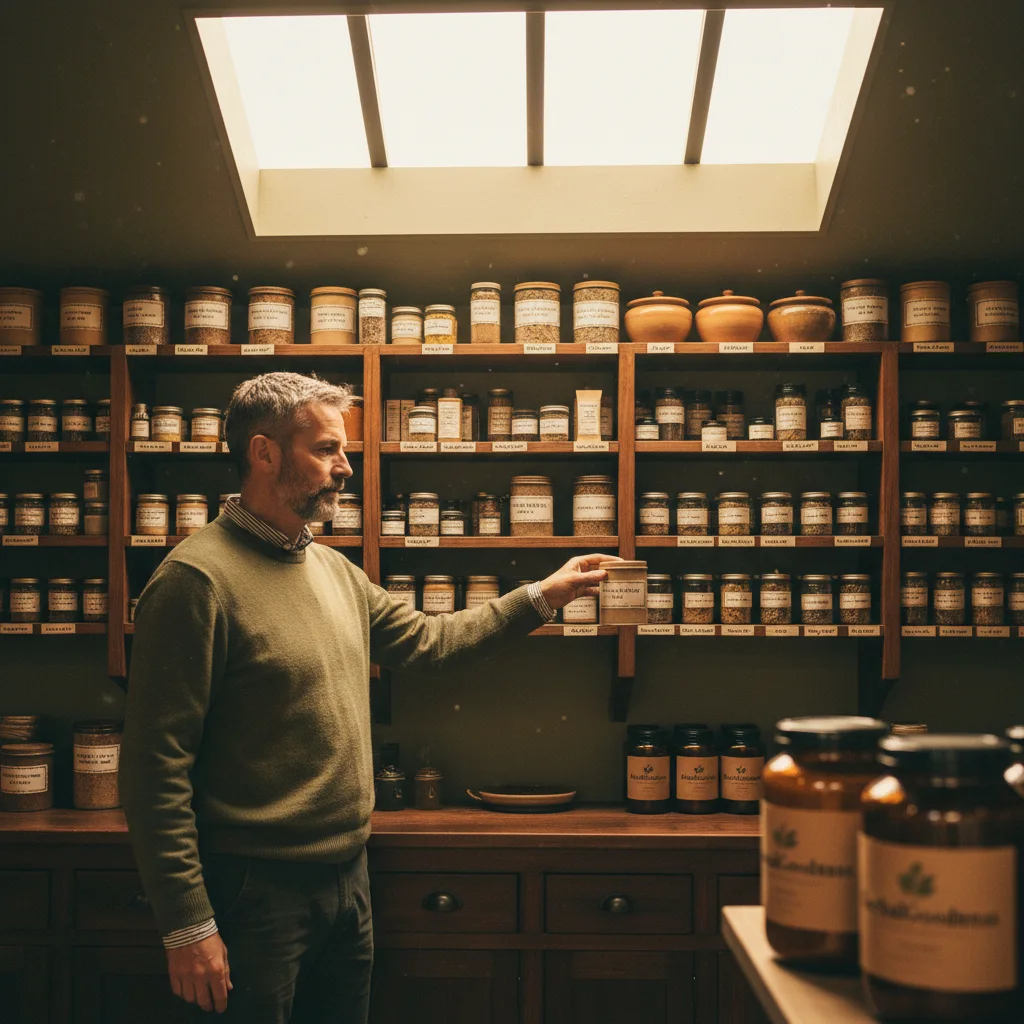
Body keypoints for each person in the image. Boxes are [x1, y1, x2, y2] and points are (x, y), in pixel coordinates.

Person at [120, 371, 615, 1023]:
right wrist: (187, 926)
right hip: (251, 889)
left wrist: (540, 598)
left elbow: (428, 641)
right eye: (326, 448)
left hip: (346, 878)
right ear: (264, 453)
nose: (346, 467)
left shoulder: (330, 569)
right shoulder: (194, 581)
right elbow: (154, 770)